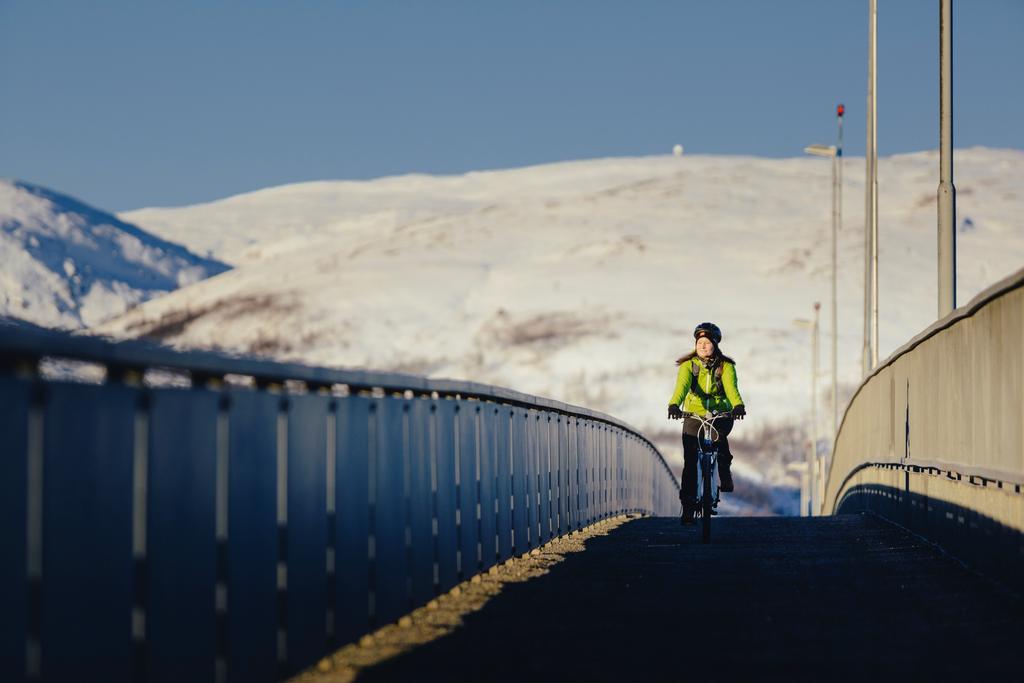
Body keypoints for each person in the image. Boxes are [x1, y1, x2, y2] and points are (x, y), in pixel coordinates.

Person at [667, 322, 746, 524]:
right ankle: (688, 506)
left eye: (706, 342)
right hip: (694, 415)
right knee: (691, 461)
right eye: (699, 342)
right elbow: (681, 388)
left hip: (721, 414)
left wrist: (737, 406)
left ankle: (723, 468)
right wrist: (674, 405)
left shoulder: (726, 367)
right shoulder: (688, 367)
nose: (702, 346)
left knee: (719, 438)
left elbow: (731, 389)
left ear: (715, 345)